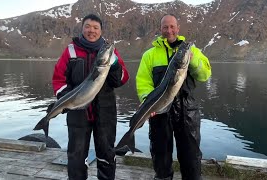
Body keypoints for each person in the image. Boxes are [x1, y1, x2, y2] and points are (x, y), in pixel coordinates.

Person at [52, 14, 129, 180]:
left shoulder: (110, 51)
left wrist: (114, 65)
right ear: (82, 28)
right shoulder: (71, 50)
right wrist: (66, 98)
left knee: (107, 155)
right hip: (77, 113)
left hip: (106, 113)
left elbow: (121, 79)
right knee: (76, 157)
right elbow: (58, 79)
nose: (91, 30)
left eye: (95, 28)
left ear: (101, 31)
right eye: (87, 26)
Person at [135, 14, 211, 180]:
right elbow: (143, 82)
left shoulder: (191, 50)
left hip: (187, 111)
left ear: (178, 28)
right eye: (165, 27)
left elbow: (205, 74)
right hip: (159, 111)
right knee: (160, 155)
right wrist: (149, 102)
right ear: (160, 29)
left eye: (172, 27)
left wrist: (193, 59)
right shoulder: (150, 55)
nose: (169, 30)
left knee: (191, 157)